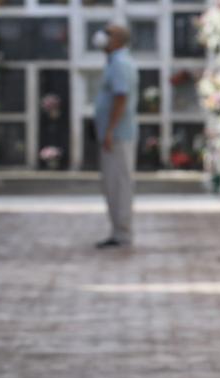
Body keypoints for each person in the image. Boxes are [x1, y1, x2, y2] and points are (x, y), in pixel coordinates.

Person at [93, 23, 139, 249]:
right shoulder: (114, 62)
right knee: (111, 184)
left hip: (118, 135)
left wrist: (110, 130)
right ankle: (117, 231)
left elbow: (121, 98)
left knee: (119, 183)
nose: (101, 36)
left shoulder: (120, 63)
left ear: (118, 39)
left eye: (107, 33)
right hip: (113, 134)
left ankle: (123, 233)